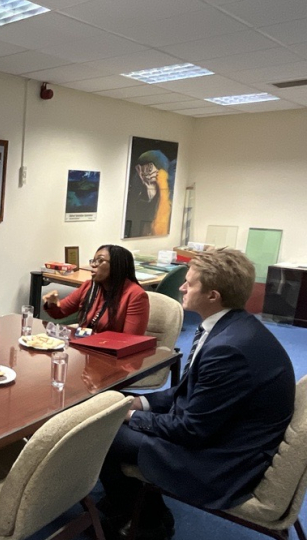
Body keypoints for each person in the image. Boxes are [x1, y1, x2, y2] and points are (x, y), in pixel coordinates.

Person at [99, 249, 296, 540]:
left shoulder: (229, 349)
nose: (181, 287)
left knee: (101, 432)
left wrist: (130, 416)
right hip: (226, 432)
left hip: (223, 460)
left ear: (213, 295)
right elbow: (186, 392)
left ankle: (143, 523)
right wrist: (137, 401)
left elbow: (192, 430)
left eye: (189, 284)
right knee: (112, 412)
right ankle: (135, 508)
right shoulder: (232, 327)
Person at [42, 244, 149, 335]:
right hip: (84, 345)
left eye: (100, 261)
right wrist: (52, 304)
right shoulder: (89, 286)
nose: (93, 265)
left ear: (116, 266)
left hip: (110, 354)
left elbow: (130, 341)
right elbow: (59, 313)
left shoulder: (136, 296)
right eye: (93, 260)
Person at [124, 150, 172, 238]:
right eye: (147, 167)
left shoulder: (167, 198)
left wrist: (159, 186)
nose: (150, 171)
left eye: (152, 167)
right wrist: (148, 187)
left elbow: (159, 229)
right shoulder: (136, 198)